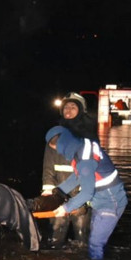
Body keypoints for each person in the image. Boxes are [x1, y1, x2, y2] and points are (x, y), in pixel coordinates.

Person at [45, 125, 127, 260]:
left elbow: (87, 193)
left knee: (95, 244)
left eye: (57, 149)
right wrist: (58, 191)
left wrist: (65, 208)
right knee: (96, 242)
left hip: (111, 203)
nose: (59, 153)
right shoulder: (80, 147)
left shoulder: (83, 157)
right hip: (100, 202)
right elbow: (78, 176)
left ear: (62, 144)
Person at [40, 92, 97, 249]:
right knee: (55, 240)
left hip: (81, 194)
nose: (68, 110)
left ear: (80, 110)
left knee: (82, 241)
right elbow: (48, 165)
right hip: (59, 193)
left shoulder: (88, 137)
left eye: (73, 107)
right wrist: (48, 190)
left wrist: (84, 199)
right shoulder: (55, 134)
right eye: (66, 107)